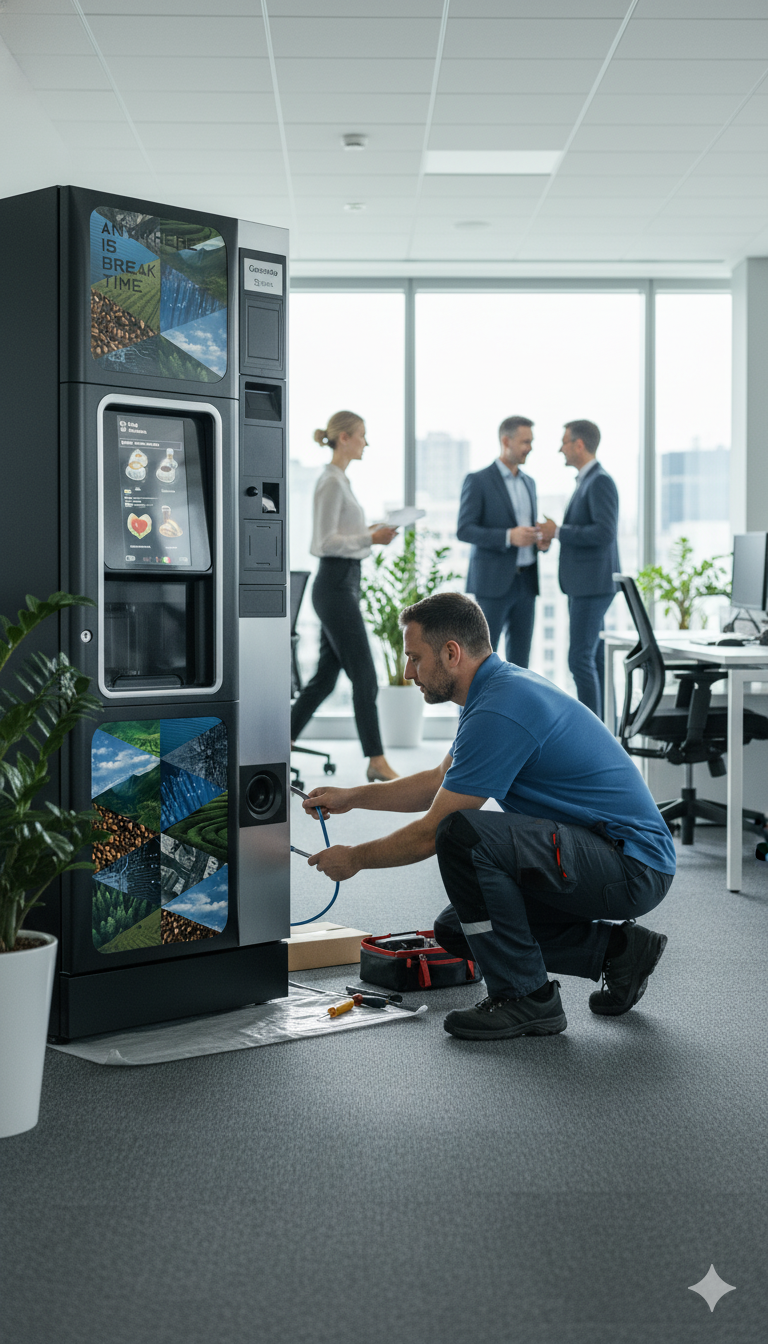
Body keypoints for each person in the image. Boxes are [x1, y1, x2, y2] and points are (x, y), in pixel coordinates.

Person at [302, 592, 675, 1042]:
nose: (407, 673)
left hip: (632, 864)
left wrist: (356, 857)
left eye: (415, 658)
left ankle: (527, 998)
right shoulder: (492, 691)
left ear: (452, 653)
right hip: (603, 854)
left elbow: (431, 834)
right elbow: (439, 781)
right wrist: (353, 797)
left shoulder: (501, 706)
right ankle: (617, 951)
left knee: (462, 836)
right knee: (457, 928)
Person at [290, 410, 400, 783]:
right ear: (344, 439)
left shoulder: (342, 481)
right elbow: (323, 542)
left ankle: (278, 740)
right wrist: (371, 537)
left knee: (325, 677)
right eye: (362, 435)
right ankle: (376, 759)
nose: (366, 443)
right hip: (335, 585)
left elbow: (342, 534)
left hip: (345, 582)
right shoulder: (330, 482)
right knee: (365, 675)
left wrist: (373, 531)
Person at [538, 420, 620, 718]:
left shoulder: (599, 481)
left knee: (580, 659)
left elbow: (603, 533)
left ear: (579, 444)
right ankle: (605, 732)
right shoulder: (587, 481)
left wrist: (558, 531)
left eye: (564, 442)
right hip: (585, 585)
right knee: (595, 659)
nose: (561, 448)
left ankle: (590, 736)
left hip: (592, 586)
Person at [456, 415, 549, 668]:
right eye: (524, 441)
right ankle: (475, 709)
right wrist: (509, 536)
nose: (529, 447)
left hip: (527, 582)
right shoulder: (478, 480)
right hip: (492, 584)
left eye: (531, 441)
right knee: (480, 660)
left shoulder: (530, 483)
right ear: (505, 440)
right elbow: (464, 530)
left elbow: (527, 529)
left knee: (521, 662)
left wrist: (540, 540)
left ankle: (513, 709)